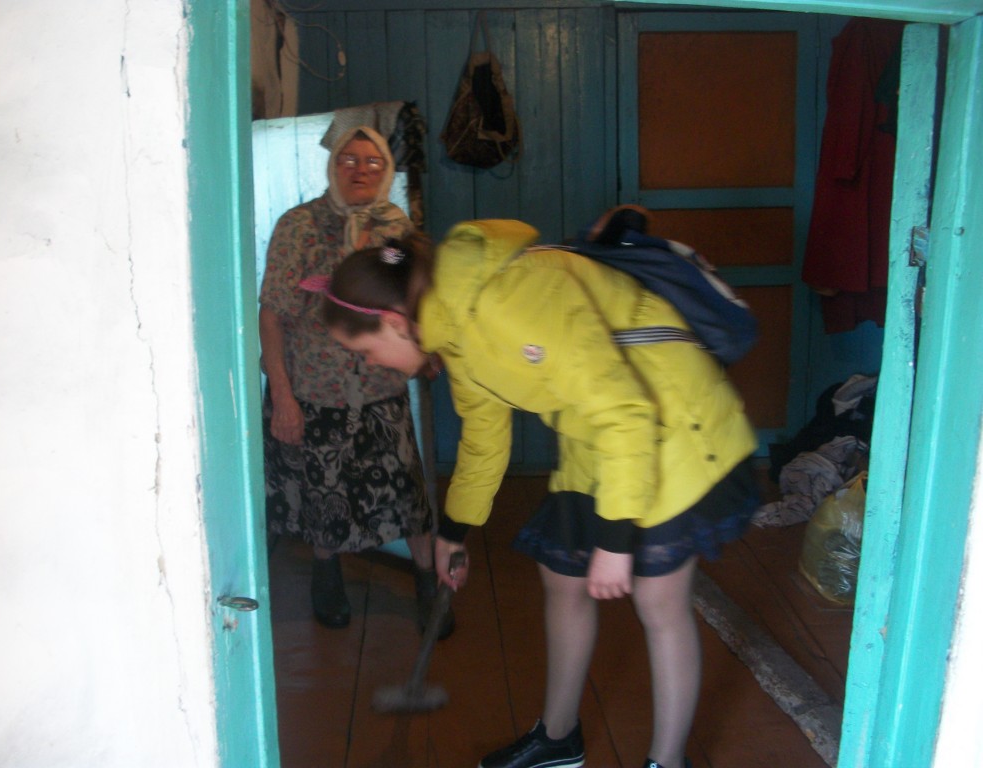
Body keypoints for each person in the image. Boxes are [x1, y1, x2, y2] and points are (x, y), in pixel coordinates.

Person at [321, 212, 760, 768]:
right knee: (563, 578)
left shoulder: (506, 303)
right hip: (601, 435)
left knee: (658, 599)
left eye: (364, 352)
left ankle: (667, 761)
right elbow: (484, 438)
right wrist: (454, 533)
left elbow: (626, 411)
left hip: (672, 424)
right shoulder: (453, 328)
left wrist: (615, 540)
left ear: (391, 321)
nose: (370, 365)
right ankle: (558, 739)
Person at [259, 125, 453, 637]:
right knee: (324, 493)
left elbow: (412, 295)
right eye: (349, 159)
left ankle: (427, 582)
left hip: (380, 392)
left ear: (386, 169)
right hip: (314, 392)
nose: (360, 170)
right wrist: (283, 396)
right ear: (332, 166)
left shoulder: (394, 228)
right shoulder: (299, 226)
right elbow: (272, 315)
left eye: (372, 161)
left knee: (408, 495)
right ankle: (327, 577)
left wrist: (428, 350)